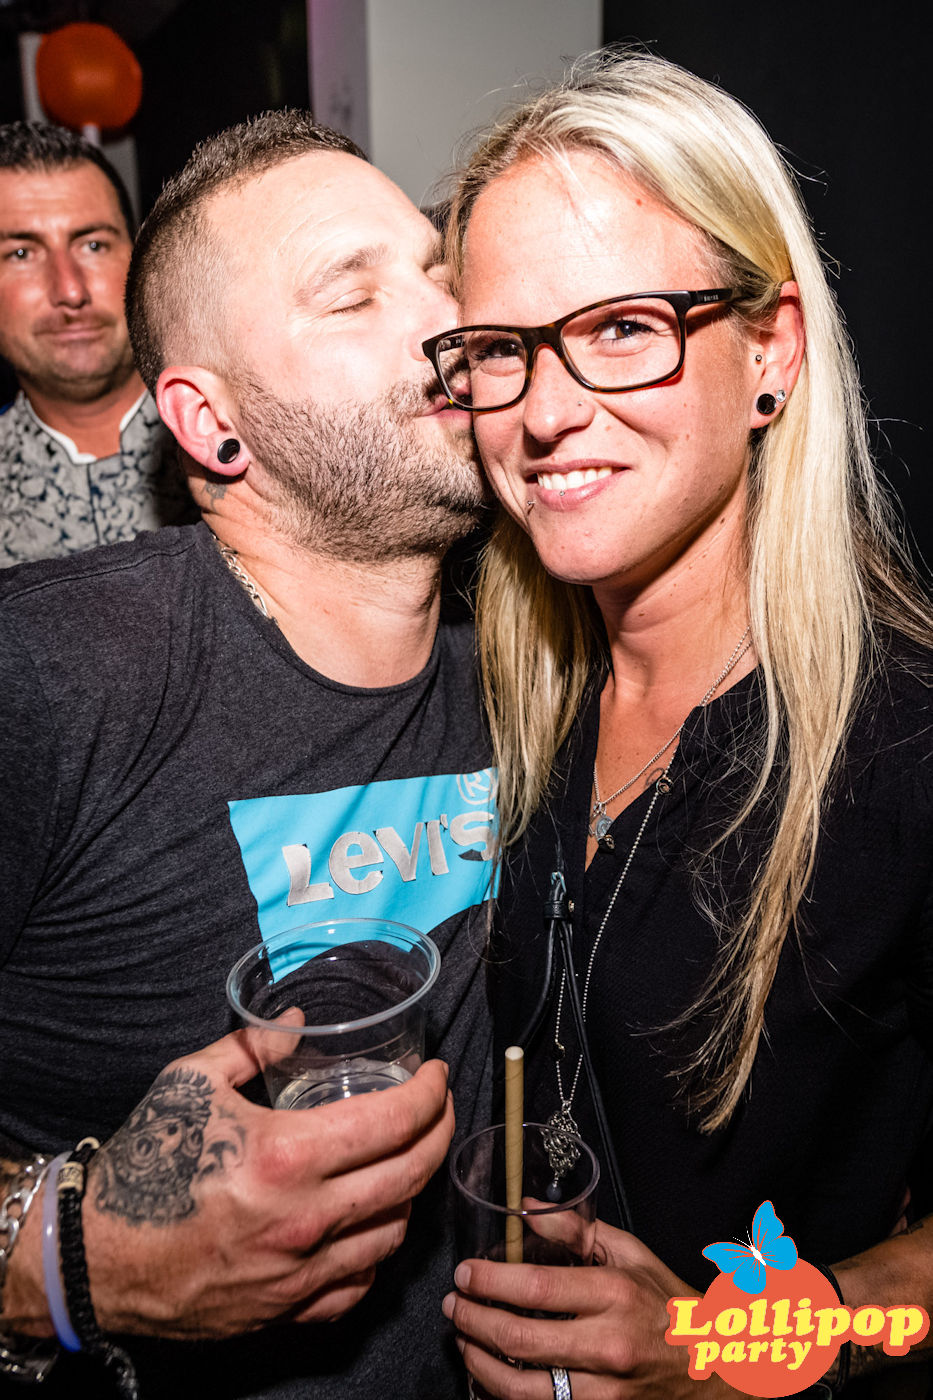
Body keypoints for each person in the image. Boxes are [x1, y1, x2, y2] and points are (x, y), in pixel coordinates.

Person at [423, 50, 933, 1398]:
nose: (543, 412)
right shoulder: (506, 696)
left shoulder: (903, 744)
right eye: (499, 349)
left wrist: (727, 1344)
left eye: (621, 328)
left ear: (771, 350)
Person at [0, 111, 494, 1399]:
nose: (450, 322)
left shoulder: (535, 656)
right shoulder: (51, 675)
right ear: (213, 424)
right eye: (354, 294)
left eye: (440, 273)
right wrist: (72, 1259)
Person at [0, 122, 196, 567]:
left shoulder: (247, 433)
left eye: (93, 245)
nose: (70, 290)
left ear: (139, 258)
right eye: (21, 254)